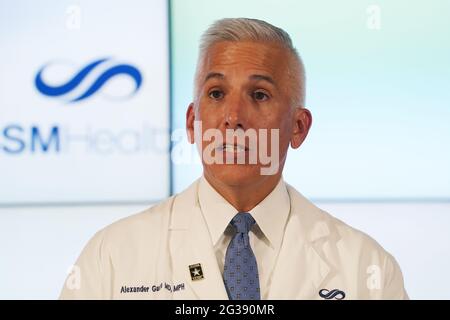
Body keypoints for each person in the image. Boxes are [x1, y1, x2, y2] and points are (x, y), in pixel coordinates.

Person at [60, 18, 408, 300]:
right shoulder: (111, 258)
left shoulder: (366, 269)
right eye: (216, 93)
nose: (233, 117)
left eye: (259, 94)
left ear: (298, 127)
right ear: (192, 122)